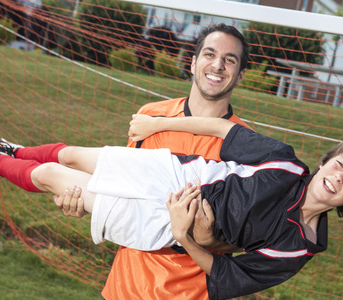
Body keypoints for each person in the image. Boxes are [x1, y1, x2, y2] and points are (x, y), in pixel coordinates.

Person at [0, 113, 343, 298]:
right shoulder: (285, 163)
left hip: (162, 226)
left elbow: (229, 276)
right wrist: (156, 127)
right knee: (69, 158)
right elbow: (224, 130)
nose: (339, 177)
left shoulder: (297, 249)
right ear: (326, 161)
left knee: (52, 178)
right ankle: (14, 149)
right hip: (172, 174)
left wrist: (185, 236)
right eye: (340, 164)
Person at [69, 23, 252, 300]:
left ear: (240, 76)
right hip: (125, 286)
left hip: (192, 293)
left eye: (230, 60)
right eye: (209, 54)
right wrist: (83, 203)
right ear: (192, 62)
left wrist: (194, 233)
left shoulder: (247, 145)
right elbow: (121, 190)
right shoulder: (150, 117)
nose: (217, 65)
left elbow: (241, 238)